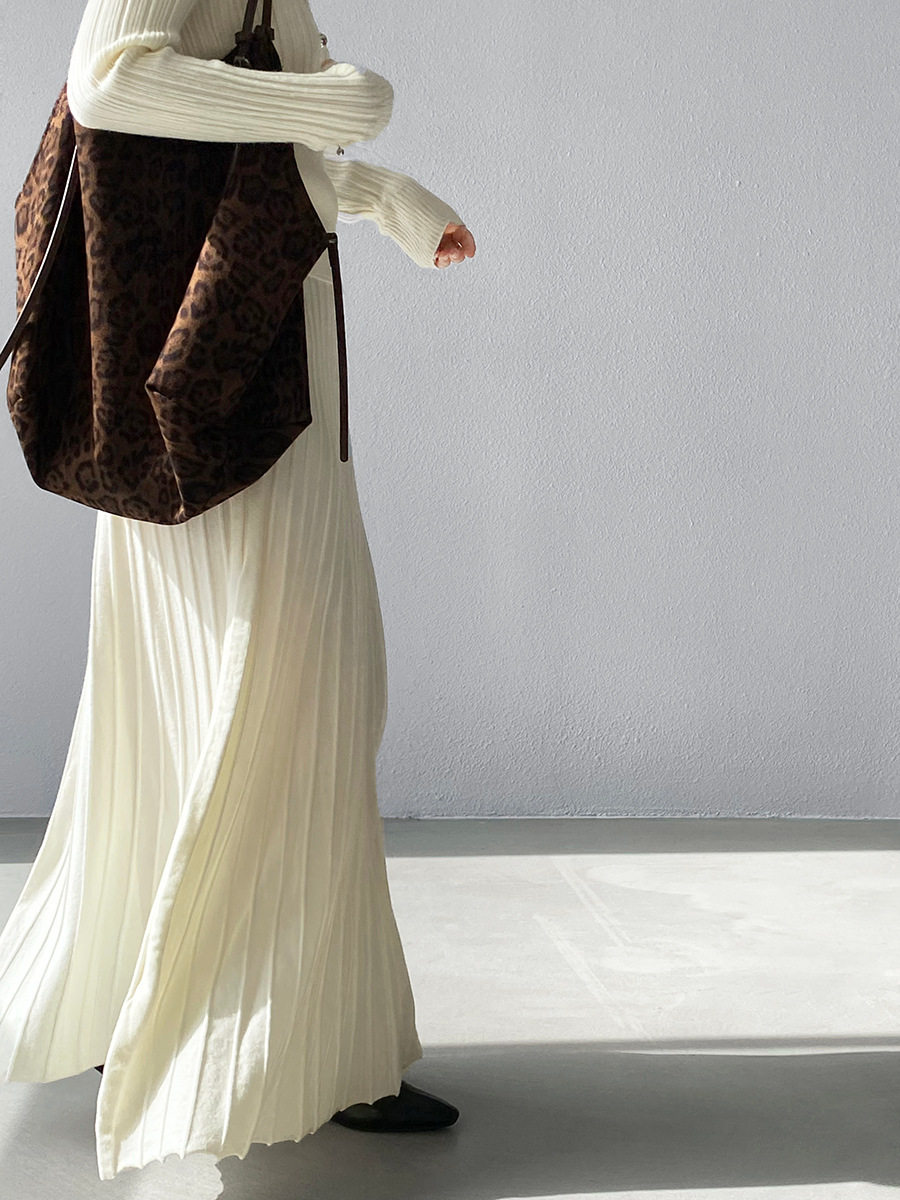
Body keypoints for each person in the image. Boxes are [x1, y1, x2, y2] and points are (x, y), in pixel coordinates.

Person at [0, 0, 476, 1181]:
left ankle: (157, 1008)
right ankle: (279, 1049)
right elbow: (110, 82)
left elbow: (249, 164)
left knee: (202, 702)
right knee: (293, 700)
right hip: (222, 405)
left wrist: (379, 192)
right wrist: (328, 101)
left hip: (231, 383)